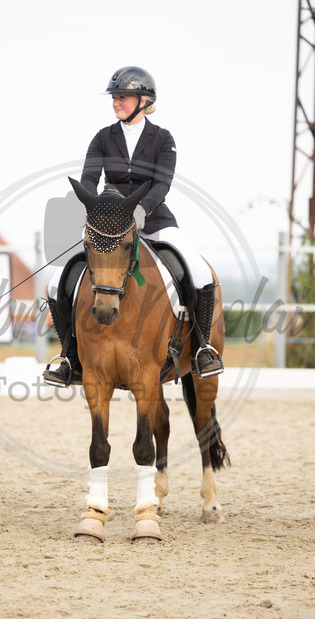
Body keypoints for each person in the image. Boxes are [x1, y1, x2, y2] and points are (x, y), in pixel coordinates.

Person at [43, 66, 223, 386]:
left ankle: (202, 349)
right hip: (110, 225)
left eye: (122, 97)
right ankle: (69, 357)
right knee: (57, 282)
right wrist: (96, 208)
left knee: (199, 272)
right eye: (114, 97)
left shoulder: (163, 139)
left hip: (153, 219)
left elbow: (162, 183)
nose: (115, 102)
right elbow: (89, 178)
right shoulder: (103, 137)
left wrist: (141, 209)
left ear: (143, 100)